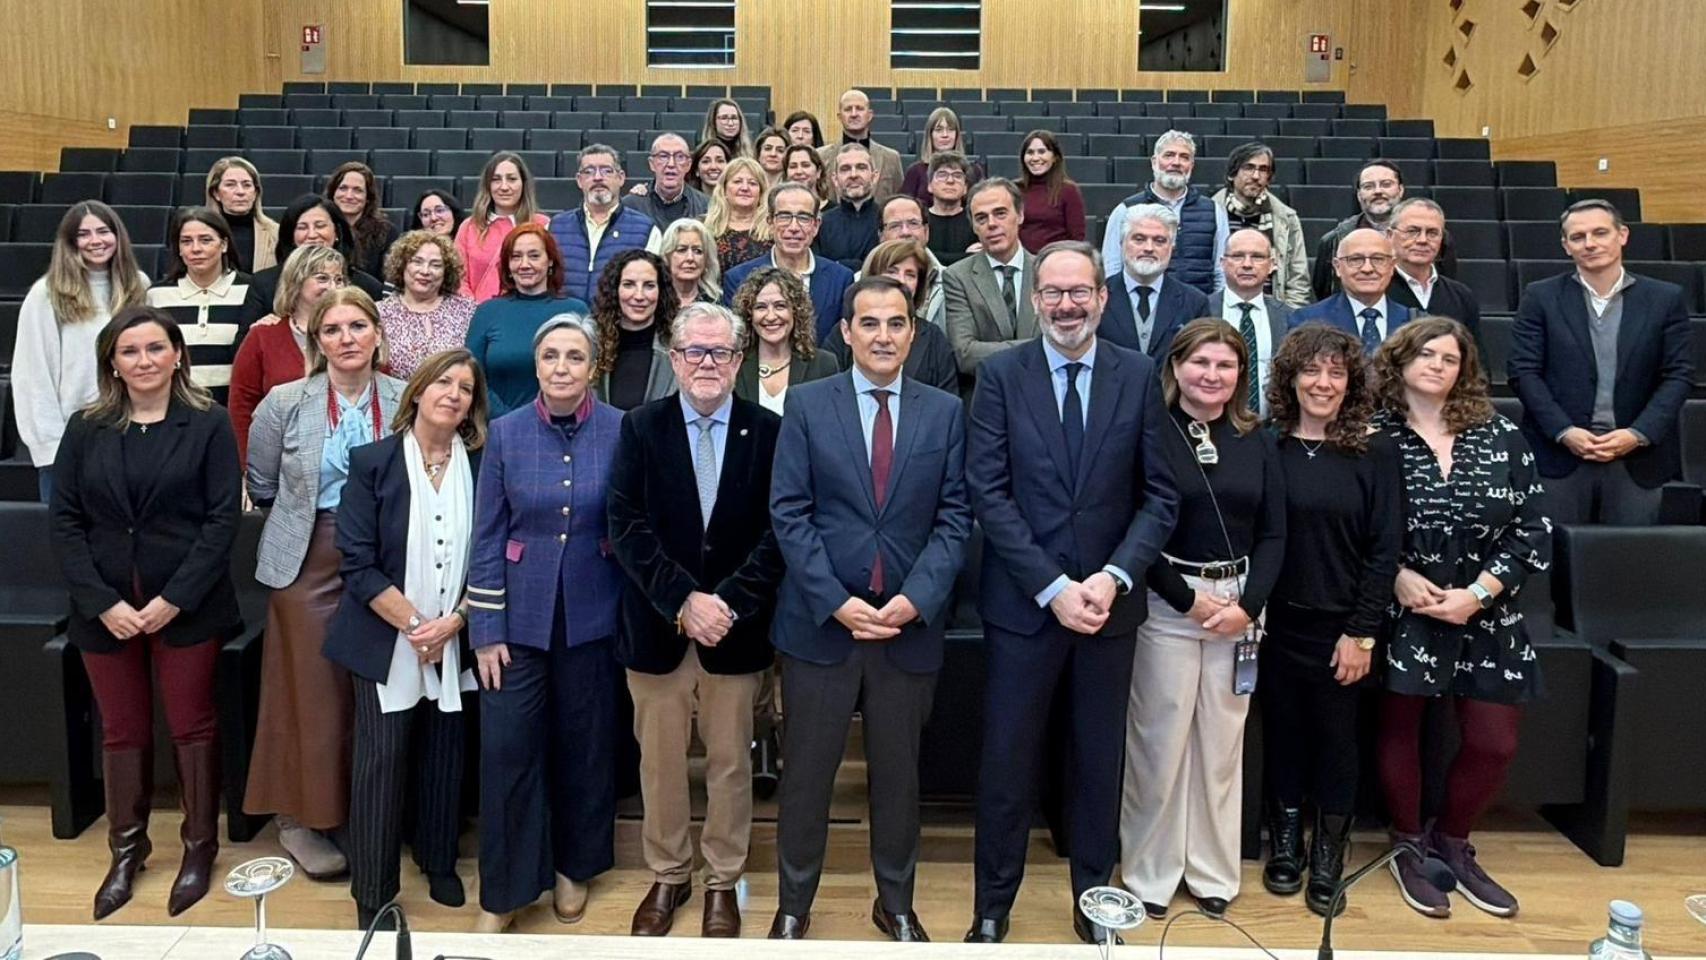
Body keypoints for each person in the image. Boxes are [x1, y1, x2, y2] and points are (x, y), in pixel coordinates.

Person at [962, 241, 1178, 945]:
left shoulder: (1137, 373)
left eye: (1079, 291)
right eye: (1052, 293)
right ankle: (992, 906)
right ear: (1035, 300)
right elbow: (988, 492)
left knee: (1097, 764)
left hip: (1109, 610)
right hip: (1024, 607)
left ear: (1102, 297)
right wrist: (1052, 586)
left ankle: (1095, 903)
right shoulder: (1002, 376)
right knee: (1007, 765)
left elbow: (1160, 496)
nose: (1065, 305)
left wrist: (1114, 577)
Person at [766, 276, 972, 942]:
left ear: (914, 331)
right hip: (822, 627)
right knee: (806, 777)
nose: (884, 336)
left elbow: (955, 517)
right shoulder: (806, 404)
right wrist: (835, 601)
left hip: (906, 628)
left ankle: (897, 903)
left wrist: (916, 600)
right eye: (870, 323)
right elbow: (789, 511)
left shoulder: (945, 412)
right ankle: (793, 905)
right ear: (847, 332)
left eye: (896, 323)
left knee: (898, 779)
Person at [51, 306, 241, 921]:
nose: (144, 361)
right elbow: (66, 521)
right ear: (112, 362)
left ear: (178, 354)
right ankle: (126, 851)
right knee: (122, 730)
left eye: (156, 348)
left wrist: (173, 600)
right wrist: (103, 602)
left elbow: (221, 520)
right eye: (129, 351)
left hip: (186, 604)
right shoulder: (86, 427)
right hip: (104, 609)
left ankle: (199, 849)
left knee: (192, 725)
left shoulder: (208, 422)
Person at [608, 302, 786, 938]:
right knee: (659, 764)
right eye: (694, 351)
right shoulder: (641, 426)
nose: (707, 363)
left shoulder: (769, 431)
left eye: (721, 352)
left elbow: (779, 531)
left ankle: (722, 880)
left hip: (736, 632)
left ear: (739, 360)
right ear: (675, 358)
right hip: (658, 628)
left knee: (731, 764)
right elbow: (625, 524)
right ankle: (669, 873)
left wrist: (727, 602)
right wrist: (684, 599)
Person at [1372, 317, 1551, 920]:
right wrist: (1396, 575)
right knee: (1399, 732)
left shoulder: (1501, 434)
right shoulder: (1373, 434)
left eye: (1450, 358)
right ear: (1400, 362)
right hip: (1406, 610)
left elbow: (1533, 529)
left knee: (1493, 742)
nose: (1437, 365)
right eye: (1426, 354)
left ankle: (1452, 841)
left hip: (1487, 612)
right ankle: (1407, 844)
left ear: (1464, 370)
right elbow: (1354, 524)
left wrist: (1478, 593)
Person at [1119, 318, 1285, 920]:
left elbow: (1274, 533)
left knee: (1221, 744)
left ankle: (1213, 870)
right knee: (1159, 742)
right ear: (1175, 366)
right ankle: (1151, 872)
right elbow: (1134, 526)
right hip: (1169, 601)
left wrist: (1248, 607)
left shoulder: (1257, 437)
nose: (1212, 375)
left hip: (1238, 606)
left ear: (1241, 374)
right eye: (1200, 363)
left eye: (1225, 365)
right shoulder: (1150, 431)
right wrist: (1187, 599)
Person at [466, 313, 625, 934]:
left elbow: (629, 525)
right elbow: (487, 536)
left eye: (574, 357)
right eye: (551, 356)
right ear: (535, 365)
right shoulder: (504, 434)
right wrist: (485, 631)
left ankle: (574, 867)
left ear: (593, 366)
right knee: (508, 751)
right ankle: (504, 892)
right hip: (516, 622)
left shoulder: (621, 429)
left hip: (594, 615)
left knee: (584, 748)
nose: (562, 368)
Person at [324, 348, 487, 930]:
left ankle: (439, 859)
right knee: (381, 761)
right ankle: (374, 893)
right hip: (386, 637)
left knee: (446, 752)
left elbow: (491, 556)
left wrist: (454, 623)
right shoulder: (373, 461)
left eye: (465, 388)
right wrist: (418, 627)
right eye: (443, 382)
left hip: (456, 633)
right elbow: (357, 562)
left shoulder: (482, 464)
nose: (453, 394)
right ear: (417, 390)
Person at [245, 287, 405, 881]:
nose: (347, 339)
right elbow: (262, 482)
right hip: (307, 557)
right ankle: (301, 819)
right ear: (317, 342)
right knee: (311, 695)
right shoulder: (285, 402)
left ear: (377, 333)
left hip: (385, 559)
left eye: (358, 326)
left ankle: (365, 815)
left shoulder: (404, 396)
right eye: (333, 329)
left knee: (372, 694)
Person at [1259, 322, 1401, 918]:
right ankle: (1286, 844)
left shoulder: (1374, 450)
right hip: (1275, 625)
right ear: (1290, 378)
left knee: (1337, 743)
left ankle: (1329, 854)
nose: (1323, 383)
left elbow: (1384, 549)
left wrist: (1362, 632)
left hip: (1344, 627)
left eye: (1336, 372)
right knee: (1283, 736)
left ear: (1351, 383)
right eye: (1311, 371)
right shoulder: (1268, 443)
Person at [1507, 199, 1693, 526]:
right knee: (1554, 552)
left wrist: (1638, 433)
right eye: (1578, 237)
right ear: (1566, 246)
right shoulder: (1540, 296)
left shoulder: (1665, 298)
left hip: (1637, 459)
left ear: (1622, 235)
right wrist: (1564, 431)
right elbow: (1523, 371)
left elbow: (1679, 375)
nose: (1589, 243)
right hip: (1558, 456)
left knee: (1629, 556)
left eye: (1600, 233)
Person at [13, 201, 150, 502]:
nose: (95, 240)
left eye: (103, 231)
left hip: (131, 435)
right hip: (70, 441)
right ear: (70, 242)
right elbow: (32, 374)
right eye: (83, 234)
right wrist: (50, 446)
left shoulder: (139, 286)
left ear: (117, 235)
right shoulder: (47, 293)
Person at [228, 245, 348, 467]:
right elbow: (241, 406)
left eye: (339, 279)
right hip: (278, 464)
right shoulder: (263, 335)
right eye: (322, 278)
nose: (333, 286)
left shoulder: (357, 333)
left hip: (348, 460)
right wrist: (246, 466)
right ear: (296, 281)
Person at [465, 223, 589, 417]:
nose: (524, 264)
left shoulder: (575, 311)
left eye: (534, 256)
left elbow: (586, 375)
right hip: (496, 425)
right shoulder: (487, 312)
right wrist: (510, 421)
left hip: (562, 423)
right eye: (516, 257)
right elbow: (471, 375)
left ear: (550, 261)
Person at [146, 206, 255, 405]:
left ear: (224, 245)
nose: (195, 249)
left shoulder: (252, 290)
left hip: (235, 406)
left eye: (205, 240)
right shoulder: (157, 295)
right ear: (179, 248)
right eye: (186, 241)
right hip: (176, 406)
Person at [823, 239, 960, 397]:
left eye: (910, 275)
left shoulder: (933, 338)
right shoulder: (845, 331)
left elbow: (946, 399)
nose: (901, 280)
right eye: (892, 272)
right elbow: (828, 391)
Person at [723, 183, 855, 342]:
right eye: (784, 217)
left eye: (803, 218)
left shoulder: (841, 279)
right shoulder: (739, 278)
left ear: (816, 226)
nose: (793, 227)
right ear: (770, 223)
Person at [1100, 130, 1227, 296]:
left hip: (1199, 306)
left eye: (1184, 157)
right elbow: (1111, 267)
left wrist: (1214, 306)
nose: (1176, 162)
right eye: (1169, 155)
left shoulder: (1213, 210)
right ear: (1154, 162)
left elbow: (1222, 270)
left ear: (1191, 165)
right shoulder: (1125, 210)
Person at [1311, 160, 1459, 300]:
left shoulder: (1436, 239)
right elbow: (1323, 292)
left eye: (1386, 184)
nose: (1378, 191)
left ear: (1400, 190)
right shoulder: (1335, 240)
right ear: (1359, 195)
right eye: (1368, 186)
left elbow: (1445, 289)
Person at [944, 178, 1037, 379]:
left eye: (1000, 213)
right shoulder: (957, 276)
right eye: (981, 218)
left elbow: (1063, 343)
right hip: (986, 388)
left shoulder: (1046, 271)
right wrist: (1038, 349)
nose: (992, 224)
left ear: (1020, 215)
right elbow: (966, 355)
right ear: (973, 226)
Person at [551, 144, 663, 305]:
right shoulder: (555, 228)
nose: (597, 177)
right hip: (566, 319)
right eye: (589, 171)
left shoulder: (646, 231)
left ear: (621, 178)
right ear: (579, 180)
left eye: (606, 171)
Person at [1100, 204, 1210, 360]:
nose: (1149, 248)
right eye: (1139, 239)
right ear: (1122, 243)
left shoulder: (1195, 302)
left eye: (1159, 241)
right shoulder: (1097, 297)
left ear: (1172, 247)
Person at [244, 194, 384, 315]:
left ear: (337, 232)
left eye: (320, 226)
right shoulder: (263, 283)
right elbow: (246, 336)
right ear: (291, 236)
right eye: (302, 227)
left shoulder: (369, 287)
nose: (311, 235)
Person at [1208, 229, 1294, 417]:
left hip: (1273, 427)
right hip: (1213, 423)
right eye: (1238, 256)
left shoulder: (1289, 318)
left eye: (1257, 257)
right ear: (1222, 263)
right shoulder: (1201, 311)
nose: (1247, 264)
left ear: (1272, 265)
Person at [1212, 143, 1310, 307]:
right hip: (1219, 311)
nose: (1256, 176)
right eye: (1248, 168)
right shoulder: (1210, 214)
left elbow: (1298, 279)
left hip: (1272, 311)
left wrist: (1288, 316)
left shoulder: (1286, 219)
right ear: (1232, 174)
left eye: (1263, 170)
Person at [732, 266, 840, 413]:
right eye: (761, 307)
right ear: (749, 315)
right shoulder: (734, 363)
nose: (770, 316)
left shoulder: (824, 364)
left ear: (796, 311)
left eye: (780, 306)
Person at [1291, 228, 1413, 352]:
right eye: (1355, 259)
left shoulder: (1413, 321)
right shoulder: (1307, 321)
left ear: (1392, 266)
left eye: (1378, 259)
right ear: (1337, 267)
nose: (1367, 269)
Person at [377, 230, 477, 379]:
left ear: (446, 271)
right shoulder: (378, 313)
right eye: (417, 262)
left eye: (435, 265)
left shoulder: (468, 310)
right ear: (402, 265)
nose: (425, 271)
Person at [454, 152, 551, 304]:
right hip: (476, 312)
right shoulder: (469, 227)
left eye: (512, 179)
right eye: (496, 180)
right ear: (488, 185)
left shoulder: (543, 224)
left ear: (523, 183)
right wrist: (475, 310)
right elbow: (458, 277)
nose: (504, 187)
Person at [592, 249, 680, 411]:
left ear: (661, 292)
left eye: (649, 286)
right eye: (629, 284)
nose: (639, 296)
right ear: (615, 289)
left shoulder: (677, 349)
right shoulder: (593, 345)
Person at [1385, 198, 1482, 345]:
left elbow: (1474, 355)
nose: (1422, 240)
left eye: (1432, 233)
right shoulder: (1376, 291)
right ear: (1390, 236)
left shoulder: (1461, 296)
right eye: (1412, 231)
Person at [869, 196, 947, 328]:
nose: (905, 232)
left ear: (926, 232)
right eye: (895, 226)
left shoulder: (952, 281)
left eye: (913, 223)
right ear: (881, 235)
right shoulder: (858, 281)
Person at [818, 89, 904, 201]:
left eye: (859, 108)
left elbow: (898, 200)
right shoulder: (821, 156)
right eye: (848, 109)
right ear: (839, 117)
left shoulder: (891, 158)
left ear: (870, 115)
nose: (854, 114)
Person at [205, 157, 280, 274]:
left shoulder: (276, 233)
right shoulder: (200, 233)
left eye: (247, 185)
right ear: (216, 193)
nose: (240, 192)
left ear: (255, 193)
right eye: (230, 185)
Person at [325, 161, 399, 279]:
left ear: (368, 198)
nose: (349, 196)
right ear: (333, 193)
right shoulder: (321, 229)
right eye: (343, 188)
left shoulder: (386, 233)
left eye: (357, 190)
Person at [623, 133, 711, 230]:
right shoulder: (631, 205)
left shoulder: (706, 206)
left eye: (679, 157)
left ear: (688, 165)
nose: (671, 164)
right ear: (652, 163)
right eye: (663, 156)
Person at [1016, 130, 1086, 253]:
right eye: (1030, 152)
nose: (1035, 158)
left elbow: (1076, 238)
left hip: (1056, 259)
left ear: (1055, 157)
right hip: (1022, 259)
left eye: (1042, 152)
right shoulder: (1015, 189)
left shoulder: (1069, 191)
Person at [900, 107, 985, 207]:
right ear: (930, 135)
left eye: (950, 130)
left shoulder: (974, 171)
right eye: (939, 130)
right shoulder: (915, 171)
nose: (945, 135)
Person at [815, 143, 882, 269]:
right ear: (835, 179)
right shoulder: (821, 223)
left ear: (874, 176)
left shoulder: (887, 220)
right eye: (845, 169)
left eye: (861, 167)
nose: (853, 175)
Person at [704, 157, 773, 271]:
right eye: (737, 182)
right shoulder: (705, 227)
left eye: (752, 183)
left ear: (761, 192)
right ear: (724, 189)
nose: (745, 188)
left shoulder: (773, 229)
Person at [923, 152, 978, 262]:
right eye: (942, 175)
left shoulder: (976, 219)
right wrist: (966, 256)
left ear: (965, 188)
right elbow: (919, 255)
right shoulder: (919, 220)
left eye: (957, 176)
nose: (950, 181)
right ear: (929, 185)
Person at [660, 217, 722, 305]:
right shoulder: (655, 300)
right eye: (682, 250)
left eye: (697, 251)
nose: (690, 258)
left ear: (707, 259)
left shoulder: (715, 302)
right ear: (666, 256)